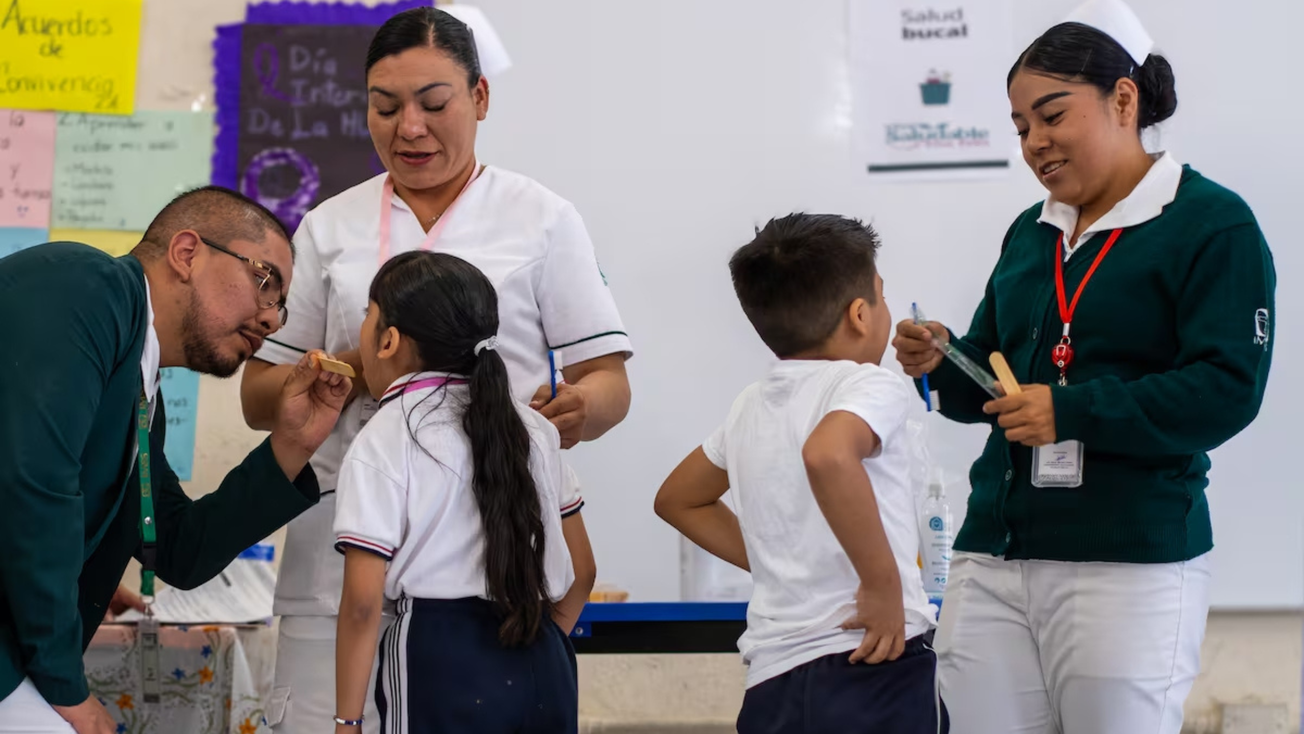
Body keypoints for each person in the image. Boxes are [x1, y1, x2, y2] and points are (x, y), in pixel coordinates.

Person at [238, 8, 631, 732]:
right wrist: (349, 374)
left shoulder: (541, 219)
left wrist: (583, 409)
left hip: (489, 575)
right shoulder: (328, 227)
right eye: (384, 108)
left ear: (480, 99)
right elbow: (260, 398)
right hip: (338, 572)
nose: (408, 128)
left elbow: (608, 380)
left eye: (433, 104)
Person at [891, 2, 1275, 732]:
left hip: (1125, 567)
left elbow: (1226, 391)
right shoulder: (1032, 231)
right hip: (993, 557)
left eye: (1052, 115)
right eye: (1021, 128)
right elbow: (996, 380)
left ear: (1123, 100)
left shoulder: (1211, 224)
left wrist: (1069, 412)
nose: (1034, 142)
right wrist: (945, 361)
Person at [0, 187, 351, 734]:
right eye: (265, 283)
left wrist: (291, 446)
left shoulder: (143, 392)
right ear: (187, 253)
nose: (273, 320)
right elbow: (33, 487)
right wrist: (65, 687)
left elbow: (179, 550)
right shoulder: (87, 287)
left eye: (280, 305)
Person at [655, 214, 945, 734]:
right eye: (882, 295)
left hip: (772, 681)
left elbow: (678, 499)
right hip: (870, 662)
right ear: (861, 314)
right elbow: (829, 455)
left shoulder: (751, 403)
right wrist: (882, 588)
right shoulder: (869, 385)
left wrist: (776, 556)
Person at [332, 251, 593, 734]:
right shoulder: (533, 428)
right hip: (542, 655)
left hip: (439, 657)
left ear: (388, 341)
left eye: (367, 321)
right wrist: (531, 651)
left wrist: (347, 722)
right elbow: (582, 572)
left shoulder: (388, 434)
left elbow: (363, 604)